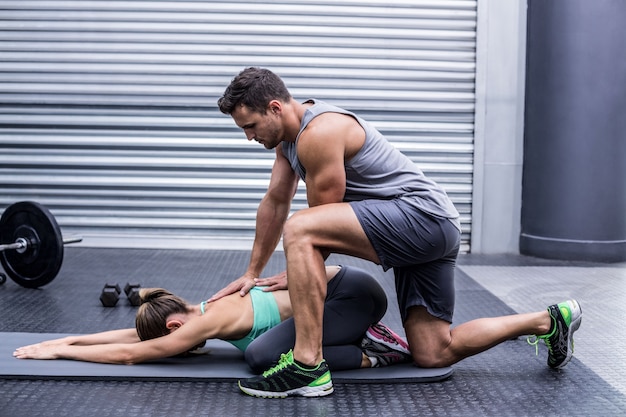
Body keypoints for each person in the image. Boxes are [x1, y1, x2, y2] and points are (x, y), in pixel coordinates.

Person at [211, 67, 584, 398]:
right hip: (429, 231)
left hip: (422, 218)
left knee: (303, 228)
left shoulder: (319, 133)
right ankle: (550, 320)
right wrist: (252, 274)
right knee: (433, 352)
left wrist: (299, 272)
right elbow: (276, 202)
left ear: (275, 108)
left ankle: (308, 366)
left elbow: (317, 224)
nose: (248, 137)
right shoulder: (288, 142)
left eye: (250, 126)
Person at [13, 265, 412, 376]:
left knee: (261, 358)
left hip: (352, 296)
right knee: (262, 353)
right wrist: (69, 341)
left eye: (172, 345)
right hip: (343, 293)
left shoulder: (204, 323)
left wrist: (64, 355)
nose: (174, 352)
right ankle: (361, 337)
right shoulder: (196, 310)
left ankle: (376, 351)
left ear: (174, 328)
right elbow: (133, 337)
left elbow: (134, 354)